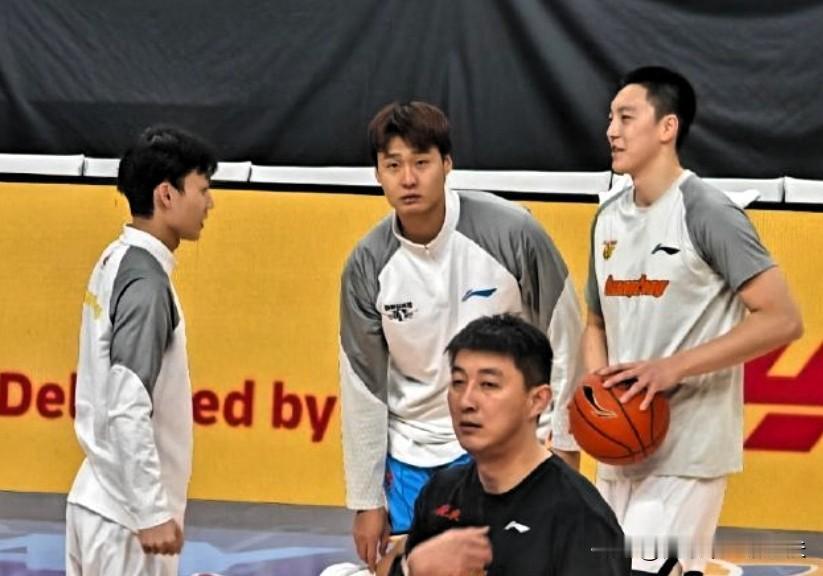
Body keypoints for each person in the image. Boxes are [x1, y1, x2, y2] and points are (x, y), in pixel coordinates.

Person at [339, 101, 583, 571]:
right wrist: (365, 499)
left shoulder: (514, 233)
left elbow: (565, 338)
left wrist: (564, 446)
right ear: (378, 174)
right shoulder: (367, 265)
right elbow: (362, 385)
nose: (408, 179)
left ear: (447, 164)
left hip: (501, 446)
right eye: (393, 165)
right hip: (408, 457)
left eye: (421, 162)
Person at [582, 66, 803, 575]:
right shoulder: (607, 217)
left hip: (687, 448)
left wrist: (671, 369)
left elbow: (782, 319)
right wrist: (599, 392)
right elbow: (595, 321)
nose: (611, 130)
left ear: (668, 127)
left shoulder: (708, 212)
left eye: (626, 117)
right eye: (610, 118)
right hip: (619, 445)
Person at [66, 125, 217, 575]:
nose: (210, 202)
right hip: (125, 520)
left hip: (99, 501)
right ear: (166, 195)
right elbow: (128, 402)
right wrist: (151, 512)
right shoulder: (146, 284)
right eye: (202, 189)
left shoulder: (116, 258)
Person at [389, 314, 629, 575]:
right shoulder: (441, 491)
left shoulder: (581, 518)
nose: (466, 401)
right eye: (458, 382)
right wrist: (410, 569)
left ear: (537, 400)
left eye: (488, 385)